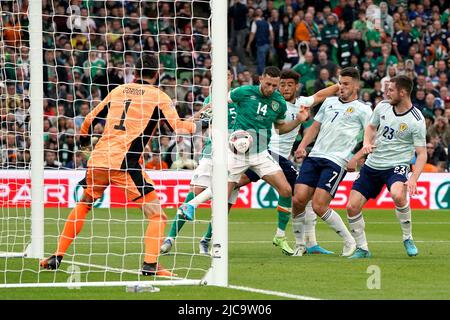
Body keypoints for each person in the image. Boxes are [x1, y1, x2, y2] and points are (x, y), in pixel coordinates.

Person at [39, 54, 197, 276]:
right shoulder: (158, 96)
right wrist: (197, 124)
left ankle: (56, 256)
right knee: (156, 215)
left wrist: (86, 151)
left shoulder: (119, 90)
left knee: (84, 204)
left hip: (99, 160)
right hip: (125, 163)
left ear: (135, 73)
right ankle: (150, 265)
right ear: (157, 74)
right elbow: (178, 127)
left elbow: (87, 122)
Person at [177, 66, 310, 254]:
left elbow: (280, 128)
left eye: (275, 85)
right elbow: (218, 102)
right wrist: (195, 119)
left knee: (287, 190)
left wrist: (298, 120)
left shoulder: (278, 102)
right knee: (224, 193)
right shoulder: (244, 92)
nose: (271, 88)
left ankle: (280, 236)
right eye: (268, 84)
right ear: (260, 79)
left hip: (262, 152)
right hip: (237, 152)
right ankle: (193, 210)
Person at [235, 69, 339, 255]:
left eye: (289, 85)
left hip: (275, 157)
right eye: (281, 85)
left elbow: (320, 95)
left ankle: (309, 243)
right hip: (269, 153)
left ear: (296, 87)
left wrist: (340, 85)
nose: (284, 88)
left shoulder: (301, 103)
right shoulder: (272, 102)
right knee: (302, 193)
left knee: (238, 182)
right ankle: (305, 243)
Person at [292, 67, 373, 257]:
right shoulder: (328, 102)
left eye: (345, 84)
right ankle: (300, 245)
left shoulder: (364, 110)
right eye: (339, 83)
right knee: (298, 200)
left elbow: (371, 139)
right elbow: (314, 127)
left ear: (356, 85)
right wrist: (302, 145)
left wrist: (356, 157)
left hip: (336, 160)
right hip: (315, 156)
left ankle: (349, 241)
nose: (341, 87)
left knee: (319, 205)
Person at [346, 75, 427, 258]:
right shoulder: (382, 106)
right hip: (373, 164)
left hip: (397, 165)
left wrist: (413, 178)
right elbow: (371, 128)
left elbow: (422, 154)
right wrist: (366, 142)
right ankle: (362, 248)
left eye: (390, 90)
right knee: (352, 207)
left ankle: (407, 237)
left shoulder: (416, 119)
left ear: (403, 92)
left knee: (398, 194)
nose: (386, 92)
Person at [160, 68, 237, 255]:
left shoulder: (241, 98)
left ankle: (207, 240)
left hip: (235, 157)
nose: (222, 79)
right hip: (212, 153)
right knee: (194, 193)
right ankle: (170, 238)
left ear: (231, 78)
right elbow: (199, 124)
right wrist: (189, 122)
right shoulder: (210, 101)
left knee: (224, 202)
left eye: (226, 76)